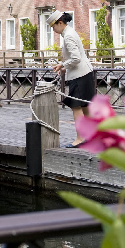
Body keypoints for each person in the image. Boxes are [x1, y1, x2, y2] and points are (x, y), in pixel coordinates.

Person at [46, 11, 96, 147]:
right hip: (85, 73)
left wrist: (62, 65)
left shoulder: (68, 36)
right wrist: (64, 68)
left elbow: (76, 58)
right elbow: (76, 58)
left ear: (60, 23)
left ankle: (80, 139)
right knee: (85, 107)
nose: (53, 30)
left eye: (53, 26)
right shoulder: (70, 32)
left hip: (79, 75)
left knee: (76, 106)